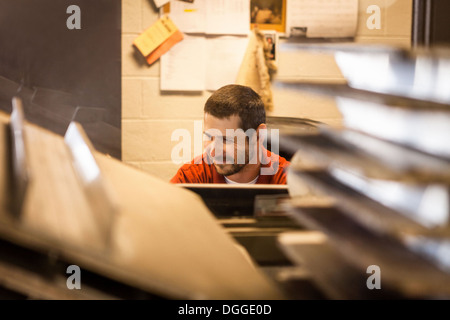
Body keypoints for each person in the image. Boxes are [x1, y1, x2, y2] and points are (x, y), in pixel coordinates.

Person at [170, 84, 289, 184]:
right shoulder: (192, 176)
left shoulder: (290, 180)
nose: (213, 152)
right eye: (209, 137)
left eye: (226, 139)